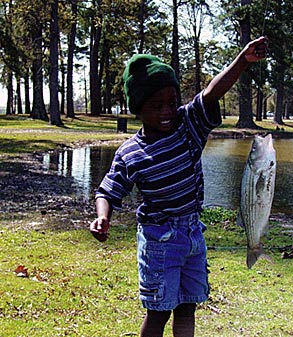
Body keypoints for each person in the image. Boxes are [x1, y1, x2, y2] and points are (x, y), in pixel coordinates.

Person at [90, 36, 267, 337]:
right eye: (156, 106)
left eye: (172, 102)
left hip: (193, 235)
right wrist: (102, 216)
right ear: (138, 109)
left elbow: (211, 93)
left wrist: (242, 61)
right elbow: (108, 190)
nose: (167, 111)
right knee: (158, 311)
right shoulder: (131, 153)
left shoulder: (188, 126)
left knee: (188, 305)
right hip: (159, 240)